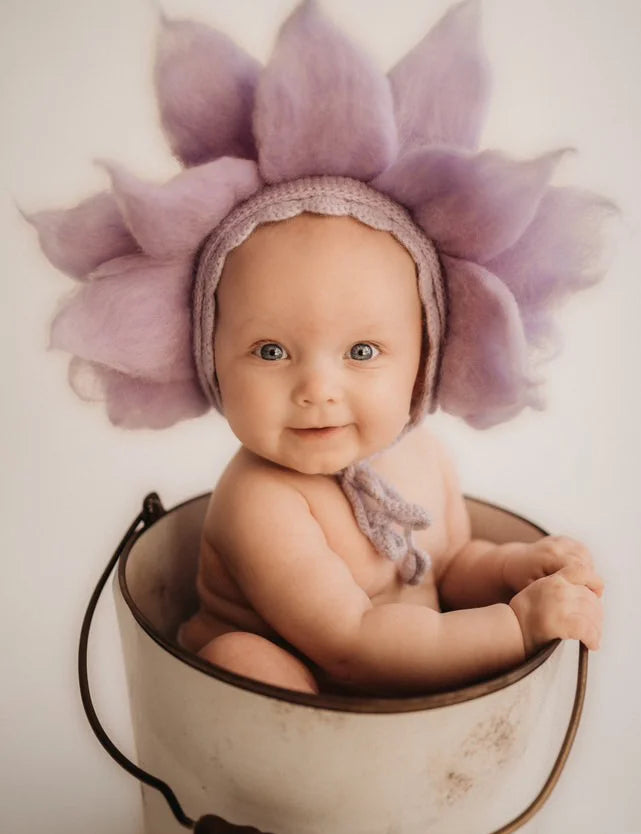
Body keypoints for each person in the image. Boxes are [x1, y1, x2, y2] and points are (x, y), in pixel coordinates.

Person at [29, 1, 611, 695]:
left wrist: (516, 568)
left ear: (427, 359)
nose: (317, 387)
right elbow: (350, 646)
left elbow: (448, 567)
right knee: (247, 661)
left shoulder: (420, 456)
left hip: (414, 659)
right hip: (307, 693)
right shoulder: (260, 502)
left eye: (362, 352)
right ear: (209, 358)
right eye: (271, 351)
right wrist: (515, 629)